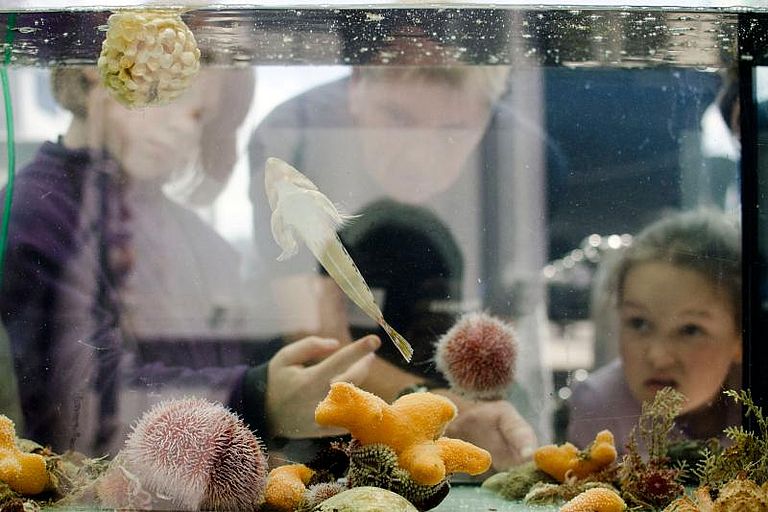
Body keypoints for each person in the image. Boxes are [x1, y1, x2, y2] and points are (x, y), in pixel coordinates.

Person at [0, 65, 381, 457]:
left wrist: (279, 383)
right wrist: (257, 397)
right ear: (99, 72)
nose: (184, 126)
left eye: (201, 116)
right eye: (168, 95)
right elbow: (80, 400)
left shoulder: (201, 241)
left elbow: (225, 353)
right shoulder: (38, 211)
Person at [249, 10, 554, 468]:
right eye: (396, 117)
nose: (419, 156)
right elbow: (318, 340)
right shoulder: (290, 140)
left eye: (453, 130)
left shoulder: (530, 163)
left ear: (489, 115)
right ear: (357, 84)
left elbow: (499, 330)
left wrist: (470, 414)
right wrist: (448, 412)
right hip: (316, 411)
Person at [567, 209, 742, 453]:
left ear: (740, 339)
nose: (658, 357)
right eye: (639, 323)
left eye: (690, 330)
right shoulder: (600, 405)